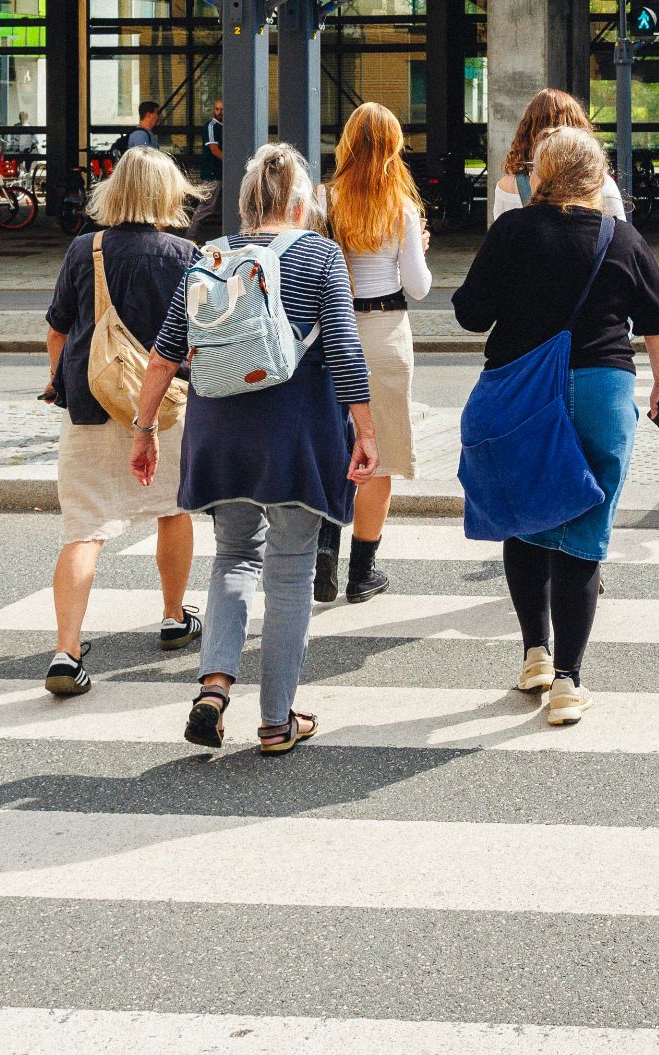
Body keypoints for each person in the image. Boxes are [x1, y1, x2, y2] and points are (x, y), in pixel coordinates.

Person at [133, 142, 377, 756]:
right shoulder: (320, 255)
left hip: (219, 435)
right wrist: (366, 433)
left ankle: (213, 688)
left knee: (233, 556)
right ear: (302, 205)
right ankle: (276, 720)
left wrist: (143, 431)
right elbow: (345, 350)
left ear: (244, 206)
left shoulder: (208, 259)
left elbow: (164, 355)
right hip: (296, 436)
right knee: (291, 570)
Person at [453, 126, 659, 725]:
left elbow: (470, 314)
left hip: (523, 390)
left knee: (525, 516)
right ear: (599, 174)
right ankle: (570, 683)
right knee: (583, 528)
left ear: (541, 174)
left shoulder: (513, 231)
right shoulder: (622, 237)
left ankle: (535, 654)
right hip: (601, 387)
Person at [40, 147, 204, 697]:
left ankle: (66, 650)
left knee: (83, 530)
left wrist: (55, 380)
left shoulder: (83, 249)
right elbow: (200, 337)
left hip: (91, 402)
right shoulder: (185, 253)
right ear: (168, 193)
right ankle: (173, 616)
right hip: (163, 407)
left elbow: (58, 328)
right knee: (172, 509)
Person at [320, 102, 433, 604]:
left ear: (347, 142)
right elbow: (419, 287)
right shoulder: (402, 207)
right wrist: (420, 251)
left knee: (332, 449)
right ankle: (362, 573)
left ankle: (324, 554)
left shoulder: (326, 200)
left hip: (334, 333)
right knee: (378, 455)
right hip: (385, 332)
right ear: (394, 147)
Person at [488, 89, 626, 223]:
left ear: (527, 129)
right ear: (577, 129)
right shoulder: (599, 184)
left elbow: (501, 239)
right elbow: (618, 235)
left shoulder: (506, 185)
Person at [188, 99, 226, 243]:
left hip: (222, 173)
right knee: (206, 206)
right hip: (212, 173)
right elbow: (214, 150)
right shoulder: (211, 126)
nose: (220, 112)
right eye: (217, 109)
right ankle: (190, 237)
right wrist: (231, 163)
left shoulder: (226, 126)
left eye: (222, 109)